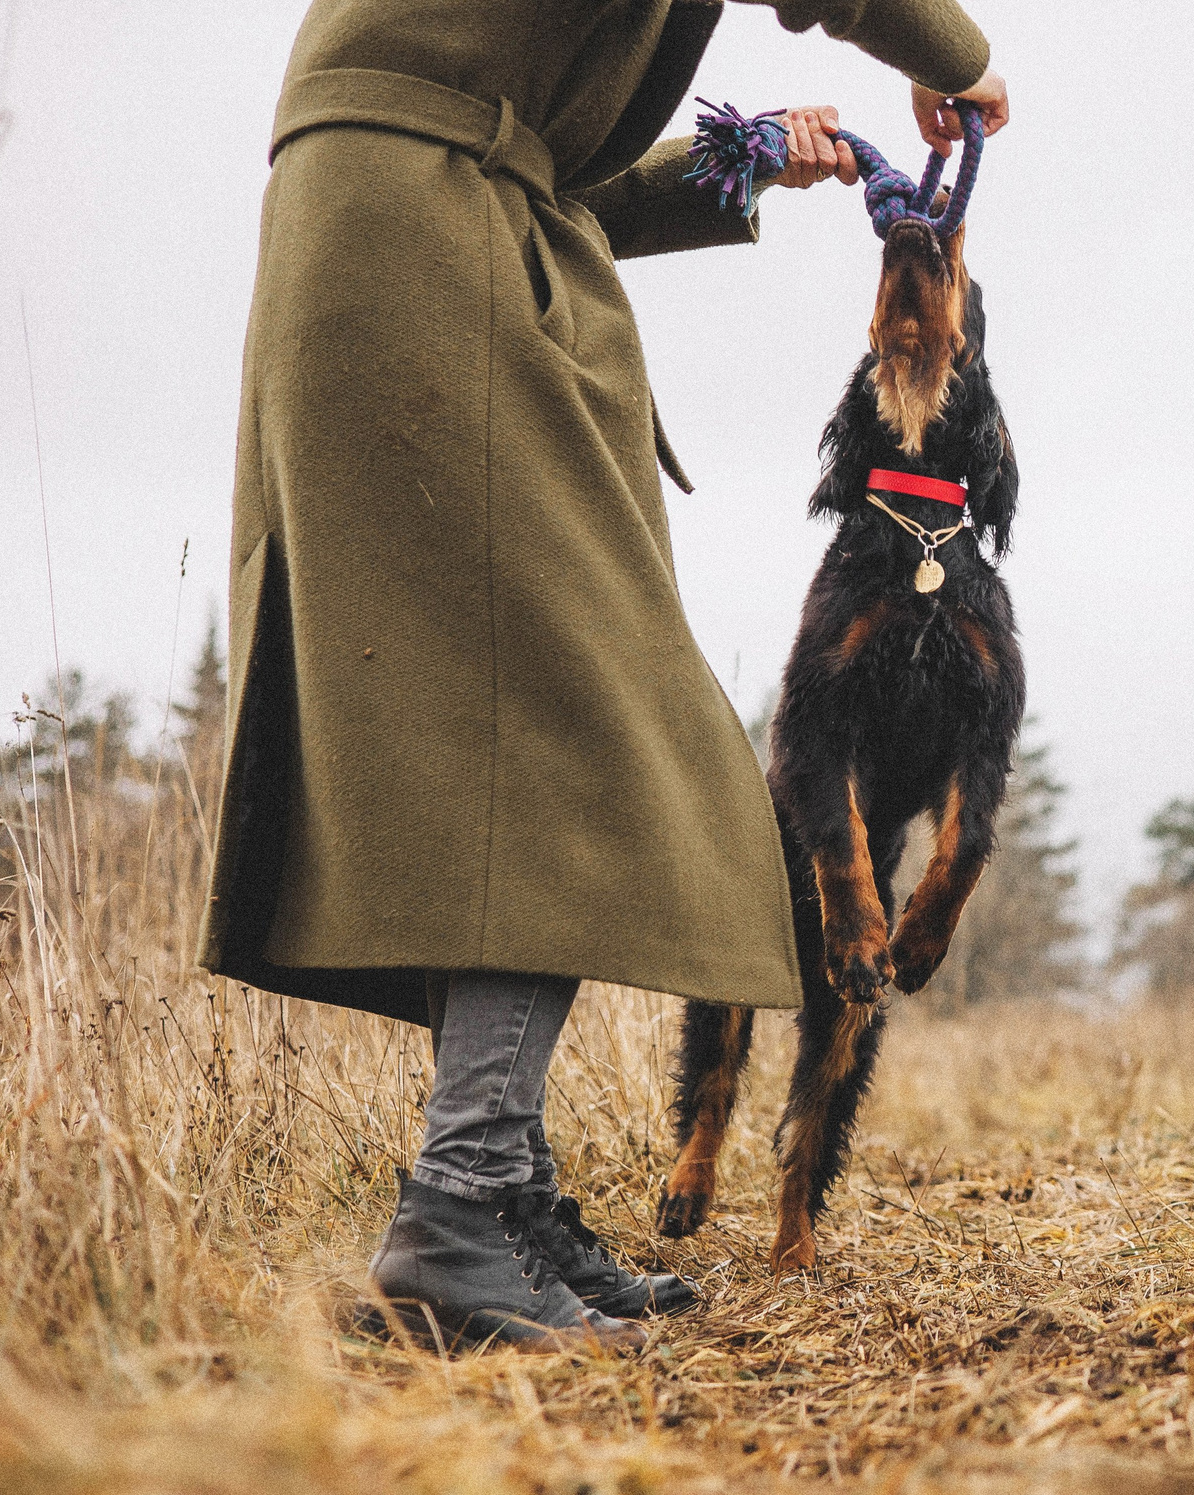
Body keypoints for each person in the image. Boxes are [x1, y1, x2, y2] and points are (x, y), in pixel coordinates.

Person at [200, 0, 1009, 1353]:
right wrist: (956, 58)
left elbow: (541, 178)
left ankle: (494, 1194)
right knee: (586, 736)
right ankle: (459, 1211)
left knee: (509, 748)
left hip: (420, 230)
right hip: (423, 258)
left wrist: (743, 161)